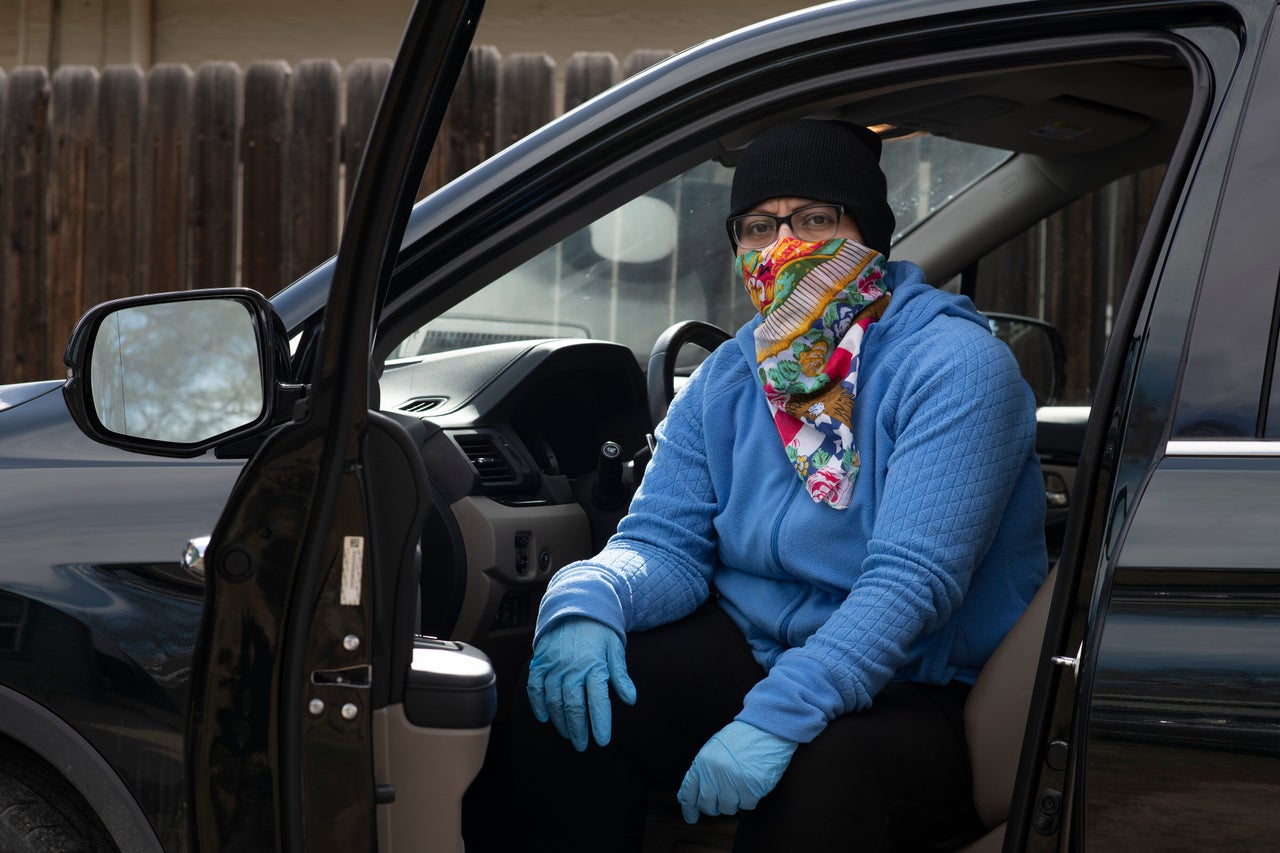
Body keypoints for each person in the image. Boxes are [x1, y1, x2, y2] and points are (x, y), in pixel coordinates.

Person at [513, 118, 1048, 852]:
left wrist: (774, 718)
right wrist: (589, 597)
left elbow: (908, 585)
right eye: (758, 226)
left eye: (815, 219)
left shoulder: (957, 367)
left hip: (913, 679)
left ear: (871, 233)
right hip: (753, 644)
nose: (784, 245)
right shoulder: (732, 373)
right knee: (558, 700)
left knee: (820, 780)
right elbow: (663, 541)